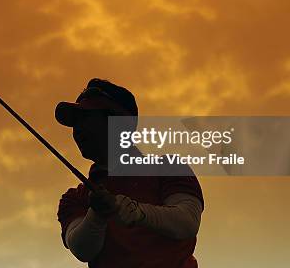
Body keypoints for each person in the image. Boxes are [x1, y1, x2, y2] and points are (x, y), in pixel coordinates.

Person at [55, 78, 204, 267]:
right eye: (75, 122)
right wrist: (97, 214)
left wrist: (135, 212)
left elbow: (187, 222)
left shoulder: (169, 167)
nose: (77, 129)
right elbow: (82, 249)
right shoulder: (75, 198)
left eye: (86, 118)